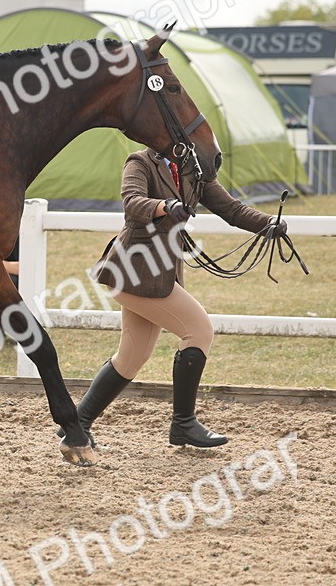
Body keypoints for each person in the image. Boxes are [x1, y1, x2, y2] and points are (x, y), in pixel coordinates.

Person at [86, 149, 285, 448]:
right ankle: (183, 423)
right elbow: (133, 203)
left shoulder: (193, 170)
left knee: (131, 357)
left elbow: (230, 209)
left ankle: (76, 423)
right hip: (133, 270)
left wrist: (267, 222)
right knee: (198, 330)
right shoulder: (139, 162)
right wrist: (165, 206)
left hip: (159, 274)